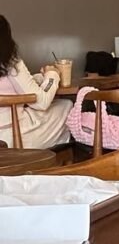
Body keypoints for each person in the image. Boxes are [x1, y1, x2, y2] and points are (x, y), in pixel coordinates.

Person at [0, 16, 72, 149]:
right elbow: (41, 102)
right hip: (12, 137)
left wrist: (38, 79)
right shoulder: (10, 61)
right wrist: (53, 75)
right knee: (66, 105)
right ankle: (59, 161)